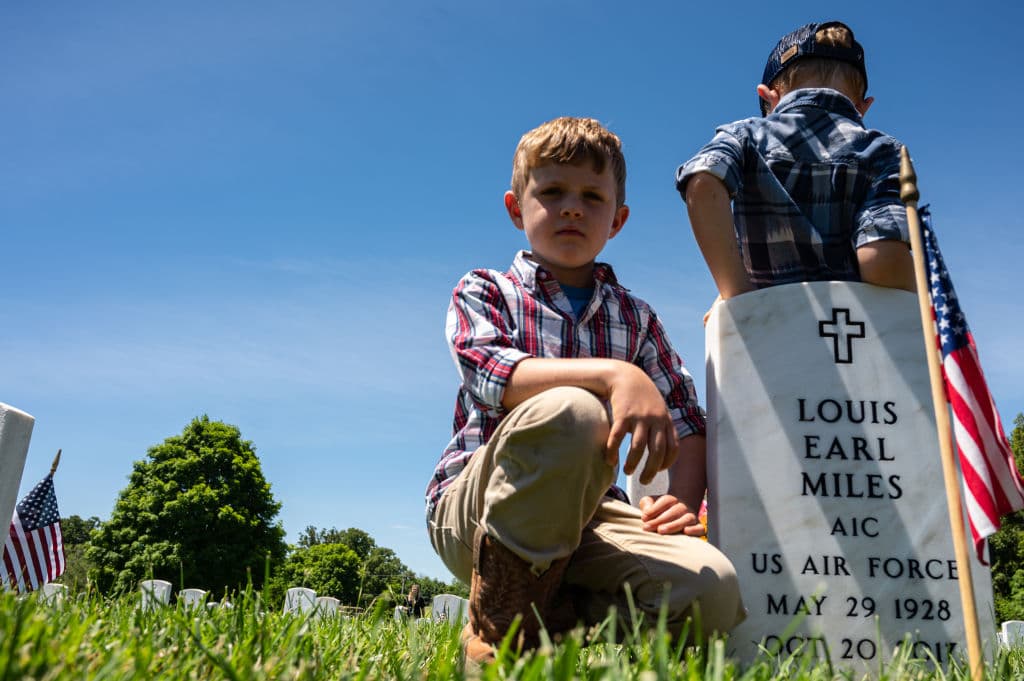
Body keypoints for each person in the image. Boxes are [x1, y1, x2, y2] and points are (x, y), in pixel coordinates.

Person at [426, 116, 744, 664]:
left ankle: (562, 612)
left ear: (617, 220)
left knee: (709, 585)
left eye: (592, 197)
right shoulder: (484, 291)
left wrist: (682, 506)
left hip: (592, 515)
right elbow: (493, 376)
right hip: (481, 511)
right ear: (515, 208)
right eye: (551, 192)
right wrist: (615, 375)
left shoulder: (637, 319)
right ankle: (499, 635)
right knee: (574, 411)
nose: (572, 207)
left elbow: (688, 423)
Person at [677, 20, 916, 302]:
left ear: (768, 97)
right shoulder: (884, 151)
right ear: (864, 106)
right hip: (855, 334)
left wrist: (735, 293)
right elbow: (882, 261)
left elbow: (703, 180)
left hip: (766, 330)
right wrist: (928, 299)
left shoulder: (745, 135)